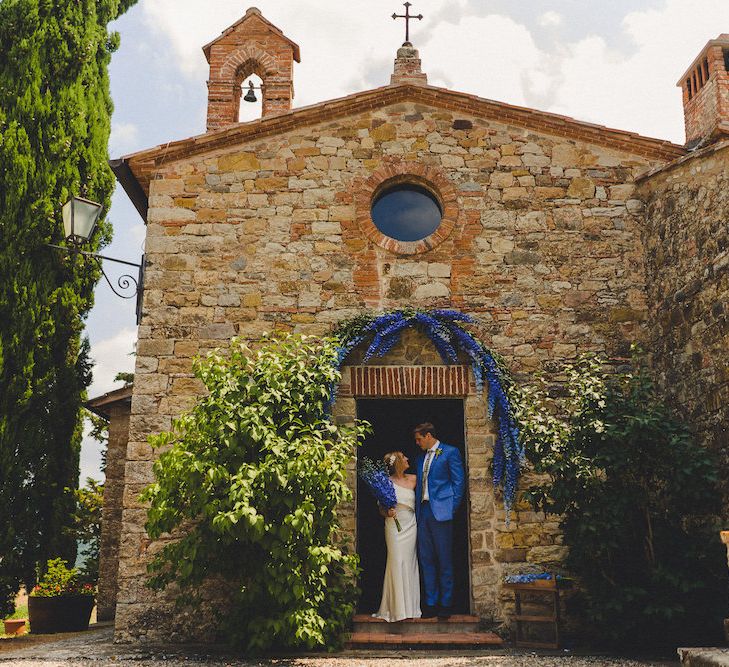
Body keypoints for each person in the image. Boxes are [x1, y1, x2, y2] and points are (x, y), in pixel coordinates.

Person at [414, 422, 465, 620]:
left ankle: (446, 603)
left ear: (428, 436)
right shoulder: (420, 459)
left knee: (444, 559)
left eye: (419, 439)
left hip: (442, 513)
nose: (417, 443)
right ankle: (431, 603)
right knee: (426, 560)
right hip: (423, 512)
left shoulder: (450, 452)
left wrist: (451, 509)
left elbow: (458, 483)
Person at [374, 450, 421, 622]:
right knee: (396, 561)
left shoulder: (415, 479)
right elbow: (381, 508)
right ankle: (397, 610)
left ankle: (411, 608)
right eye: (404, 457)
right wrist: (387, 512)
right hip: (394, 526)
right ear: (398, 463)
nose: (408, 458)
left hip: (410, 525)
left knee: (409, 562)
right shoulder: (386, 482)